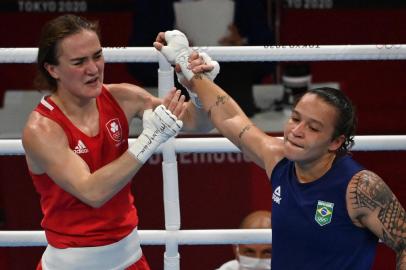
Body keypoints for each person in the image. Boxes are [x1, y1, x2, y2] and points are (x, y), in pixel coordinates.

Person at [154, 30, 406, 269]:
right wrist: (186, 61)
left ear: (335, 142)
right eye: (295, 118)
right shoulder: (278, 159)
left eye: (314, 127)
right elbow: (231, 118)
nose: (296, 131)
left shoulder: (360, 187)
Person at [21, 15, 218, 270]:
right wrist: (149, 138)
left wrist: (200, 88)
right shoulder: (42, 129)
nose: (93, 69)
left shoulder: (123, 97)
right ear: (52, 69)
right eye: (79, 62)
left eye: (97, 56)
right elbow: (92, 192)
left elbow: (199, 123)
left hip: (130, 259)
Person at [127, 0, 275, 116]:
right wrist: (169, 53)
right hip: (175, 105)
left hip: (235, 97)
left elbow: (268, 59)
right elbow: (136, 63)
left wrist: (241, 44)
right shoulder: (152, 5)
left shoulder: (247, 4)